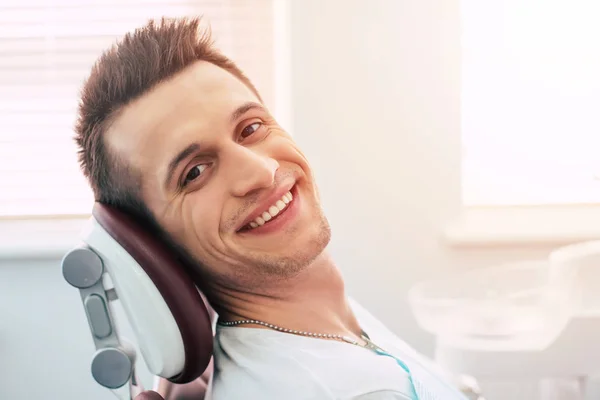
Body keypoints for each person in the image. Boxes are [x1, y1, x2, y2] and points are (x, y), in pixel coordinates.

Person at [74, 17, 475, 400]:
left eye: (250, 129)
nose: (262, 172)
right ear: (153, 245)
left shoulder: (322, 327)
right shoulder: (351, 391)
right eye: (194, 173)